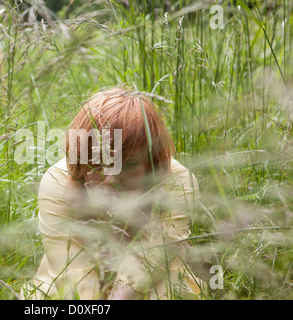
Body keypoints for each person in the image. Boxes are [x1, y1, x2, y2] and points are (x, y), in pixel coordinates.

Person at [21, 87, 203, 300]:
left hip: (155, 279)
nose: (111, 178)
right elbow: (73, 274)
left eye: (128, 164)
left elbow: (153, 259)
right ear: (81, 158)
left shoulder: (178, 183)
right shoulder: (57, 182)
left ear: (153, 161)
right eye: (99, 162)